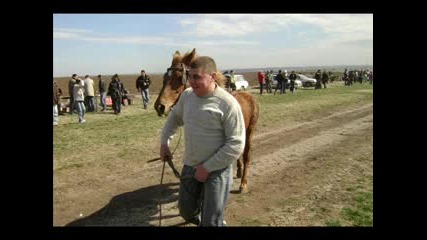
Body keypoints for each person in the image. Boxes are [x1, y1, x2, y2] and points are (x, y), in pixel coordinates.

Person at [160, 56, 246, 226]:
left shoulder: (227, 104)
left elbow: (236, 144)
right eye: (190, 76)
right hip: (190, 167)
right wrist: (164, 142)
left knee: (211, 221)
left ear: (212, 76)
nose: (192, 82)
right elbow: (174, 118)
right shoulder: (187, 96)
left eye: (197, 77)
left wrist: (207, 168)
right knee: (186, 212)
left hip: (217, 171)